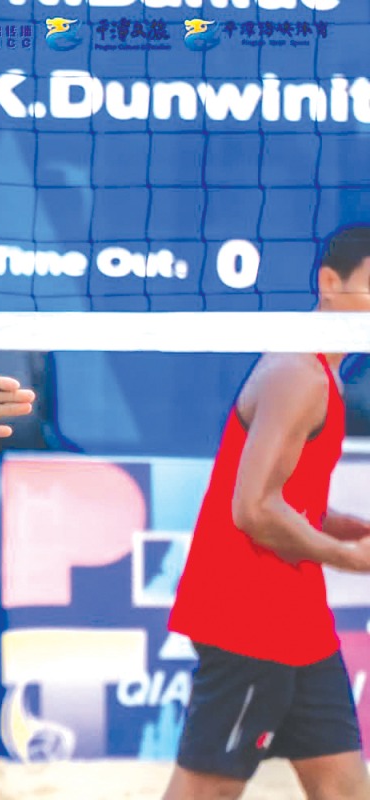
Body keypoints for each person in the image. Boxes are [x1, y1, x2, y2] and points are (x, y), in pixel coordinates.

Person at [164, 224, 370, 800]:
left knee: (345, 789)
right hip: (248, 621)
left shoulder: (321, 374)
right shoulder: (298, 373)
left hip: (300, 621)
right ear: (330, 283)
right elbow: (253, 509)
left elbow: (288, 498)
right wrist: (346, 556)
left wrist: (342, 527)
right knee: (203, 793)